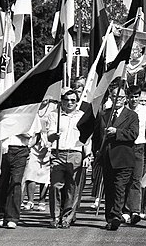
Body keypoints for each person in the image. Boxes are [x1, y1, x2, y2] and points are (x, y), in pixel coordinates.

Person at [46, 88, 91, 229]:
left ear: (77, 102)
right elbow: (49, 135)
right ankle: (55, 216)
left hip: (76, 154)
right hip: (58, 153)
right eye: (67, 100)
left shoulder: (83, 116)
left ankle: (67, 218)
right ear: (62, 101)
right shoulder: (55, 115)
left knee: (73, 188)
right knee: (55, 186)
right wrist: (55, 136)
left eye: (73, 100)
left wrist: (87, 155)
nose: (70, 103)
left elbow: (88, 139)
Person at [98, 88, 139, 231]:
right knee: (109, 189)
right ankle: (110, 219)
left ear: (125, 98)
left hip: (123, 158)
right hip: (107, 158)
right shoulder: (104, 114)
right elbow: (98, 136)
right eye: (115, 96)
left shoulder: (132, 115)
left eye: (121, 97)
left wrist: (117, 132)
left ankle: (116, 215)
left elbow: (134, 134)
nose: (118, 99)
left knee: (119, 187)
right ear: (110, 97)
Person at [0, 118, 41, 229]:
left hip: (20, 149)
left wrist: (14, 128)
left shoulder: (30, 112)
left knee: (16, 182)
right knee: (1, 182)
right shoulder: (4, 111)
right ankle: (1, 214)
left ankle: (12, 218)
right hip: (2, 149)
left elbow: (31, 134)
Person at [123, 85, 146, 224]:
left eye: (136, 97)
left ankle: (135, 210)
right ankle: (124, 210)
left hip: (139, 147)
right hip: (125, 148)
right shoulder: (123, 111)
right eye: (131, 97)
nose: (134, 100)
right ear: (128, 97)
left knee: (136, 180)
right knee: (125, 180)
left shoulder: (145, 111)